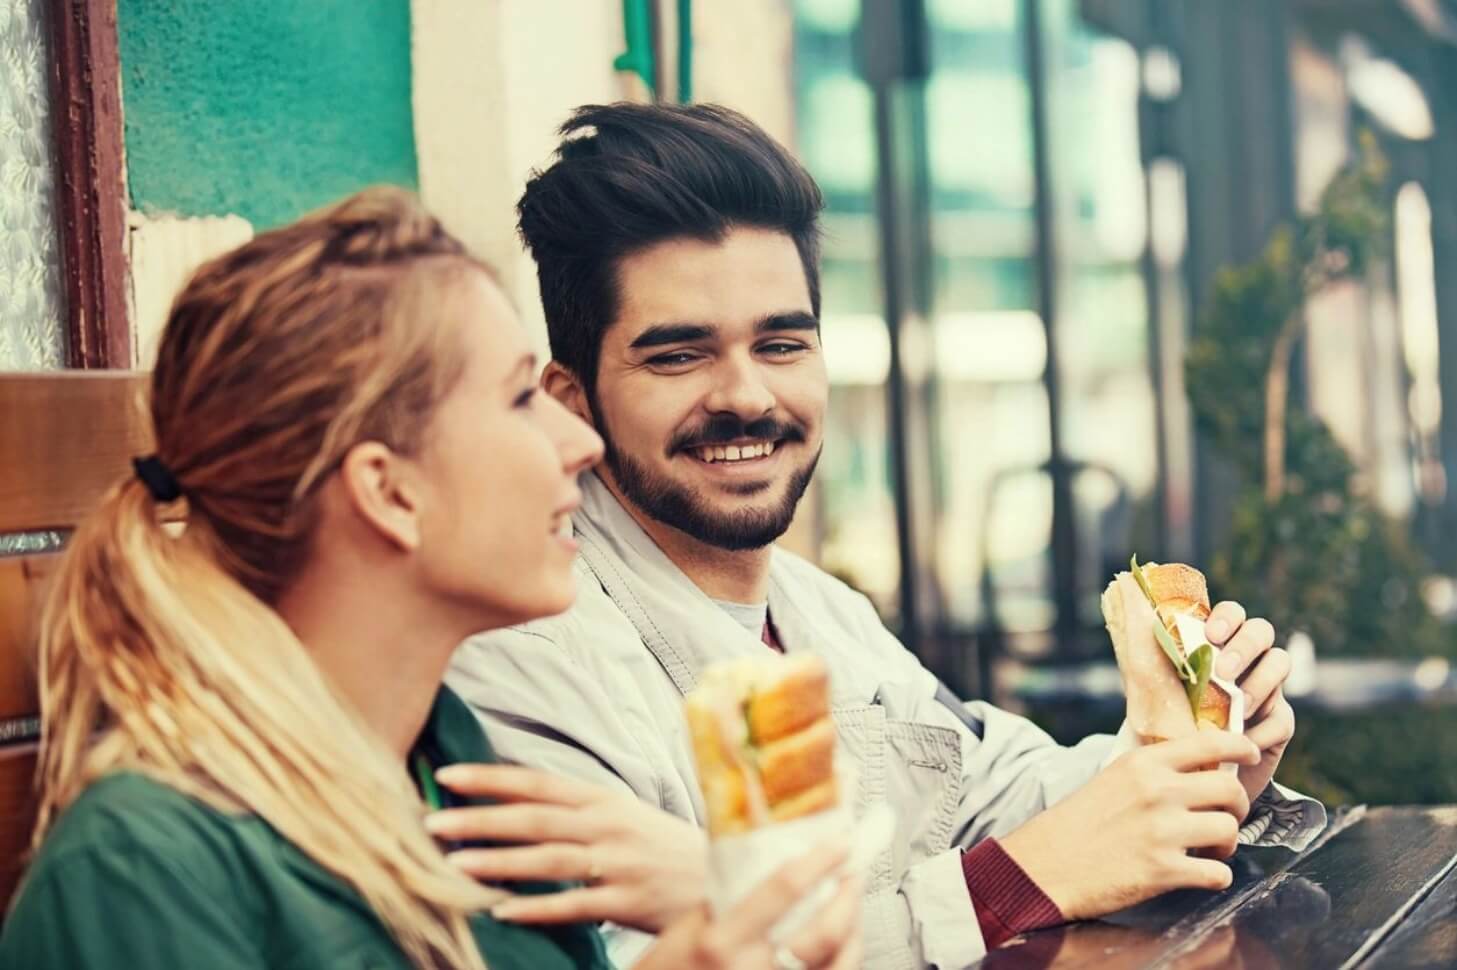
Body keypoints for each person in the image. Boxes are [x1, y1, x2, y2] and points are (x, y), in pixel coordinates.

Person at [446, 102, 1327, 969]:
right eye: (678, 355)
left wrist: (1208, 764)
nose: (747, 396)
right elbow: (630, 960)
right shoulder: (519, 655)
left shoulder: (815, 607)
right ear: (572, 401)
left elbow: (996, 788)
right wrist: (1004, 889)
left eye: (782, 343)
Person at [0, 188, 862, 970]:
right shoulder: (146, 870)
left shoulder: (463, 783)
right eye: (521, 398)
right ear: (388, 490)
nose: (581, 442)